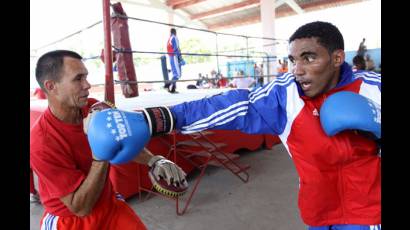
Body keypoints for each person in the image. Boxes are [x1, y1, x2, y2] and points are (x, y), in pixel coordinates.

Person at [121, 21, 380, 229]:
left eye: (309, 58)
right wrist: (157, 119)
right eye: (293, 60)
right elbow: (232, 105)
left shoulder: (373, 89)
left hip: (368, 214)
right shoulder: (285, 95)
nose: (297, 70)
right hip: (317, 212)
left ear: (337, 59)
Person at [30, 50, 187, 229]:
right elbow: (80, 207)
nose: (87, 85)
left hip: (108, 204)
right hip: (71, 219)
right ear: (51, 86)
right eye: (78, 78)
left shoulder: (93, 107)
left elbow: (122, 140)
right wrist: (100, 151)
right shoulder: (41, 143)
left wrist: (154, 160)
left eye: (86, 77)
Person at [165, 28, 184, 93]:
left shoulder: (169, 39)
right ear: (175, 32)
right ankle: (167, 85)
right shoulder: (174, 37)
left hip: (171, 57)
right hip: (174, 56)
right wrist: (180, 58)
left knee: (174, 74)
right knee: (177, 74)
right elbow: (176, 49)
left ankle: (173, 89)